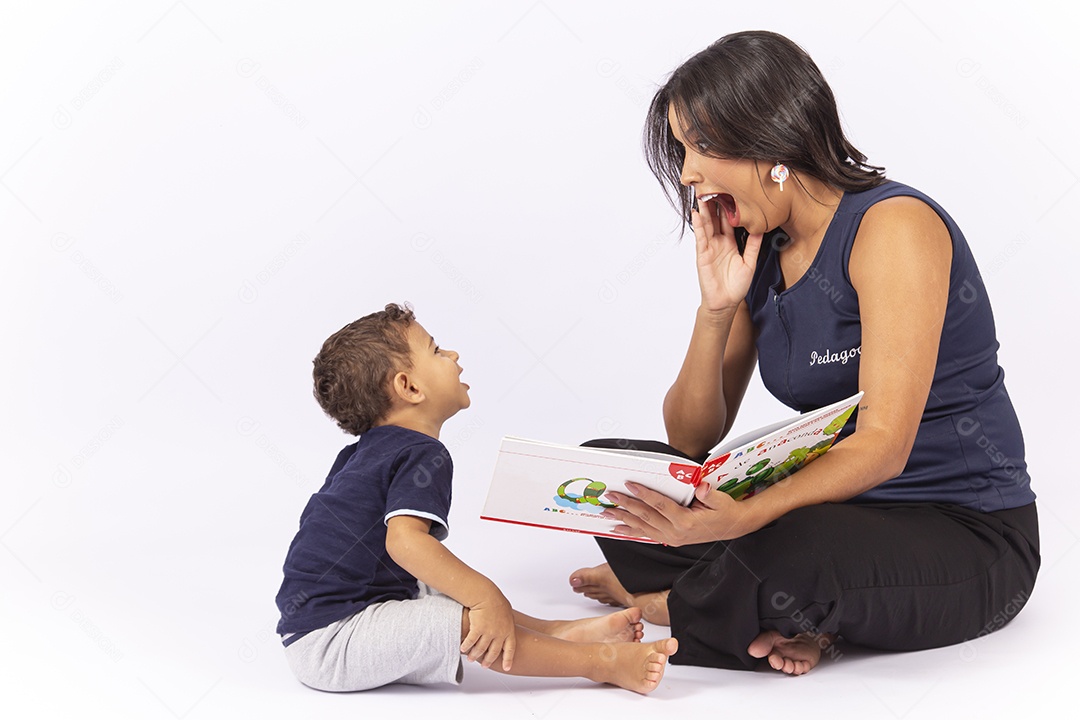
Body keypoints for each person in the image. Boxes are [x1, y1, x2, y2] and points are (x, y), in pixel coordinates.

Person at [568, 30, 1039, 676]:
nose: (687, 174)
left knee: (793, 553)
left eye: (701, 146)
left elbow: (885, 444)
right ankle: (762, 603)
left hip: (965, 531)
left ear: (771, 138)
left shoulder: (892, 228)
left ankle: (668, 604)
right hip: (839, 512)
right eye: (682, 150)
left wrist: (741, 521)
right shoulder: (761, 244)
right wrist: (716, 309)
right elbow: (690, 437)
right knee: (618, 479)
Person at [275, 303, 677, 694]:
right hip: (331, 641)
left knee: (442, 587)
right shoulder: (421, 452)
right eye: (435, 350)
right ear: (409, 387)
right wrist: (485, 596)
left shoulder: (365, 451)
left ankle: (556, 631)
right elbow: (404, 542)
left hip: (331, 621)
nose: (453, 355)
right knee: (462, 615)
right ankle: (600, 663)